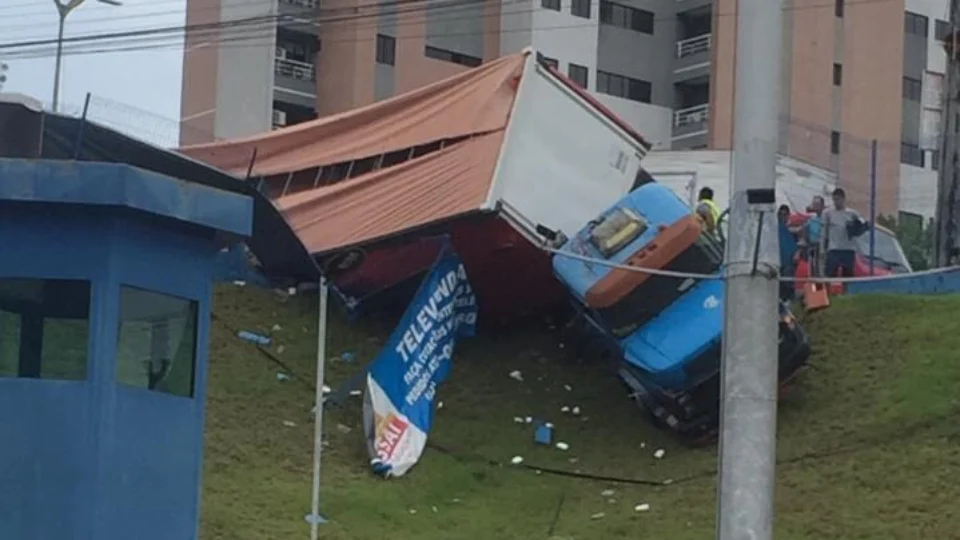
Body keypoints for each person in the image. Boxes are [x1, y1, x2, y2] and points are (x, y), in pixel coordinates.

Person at [820, 188, 863, 278]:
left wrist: (854, 226)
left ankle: (846, 291)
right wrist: (822, 249)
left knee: (848, 275)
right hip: (834, 249)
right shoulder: (828, 213)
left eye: (837, 199)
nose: (835, 202)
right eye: (834, 199)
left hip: (848, 249)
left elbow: (861, 228)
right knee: (830, 274)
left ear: (843, 199)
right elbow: (824, 232)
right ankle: (830, 292)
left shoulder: (852, 213)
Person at [778, 205, 798, 301]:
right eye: (780, 214)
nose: (782, 216)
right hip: (778, 264)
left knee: (788, 286)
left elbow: (794, 247)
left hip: (788, 264)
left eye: (785, 214)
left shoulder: (788, 231)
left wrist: (797, 252)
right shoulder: (775, 228)